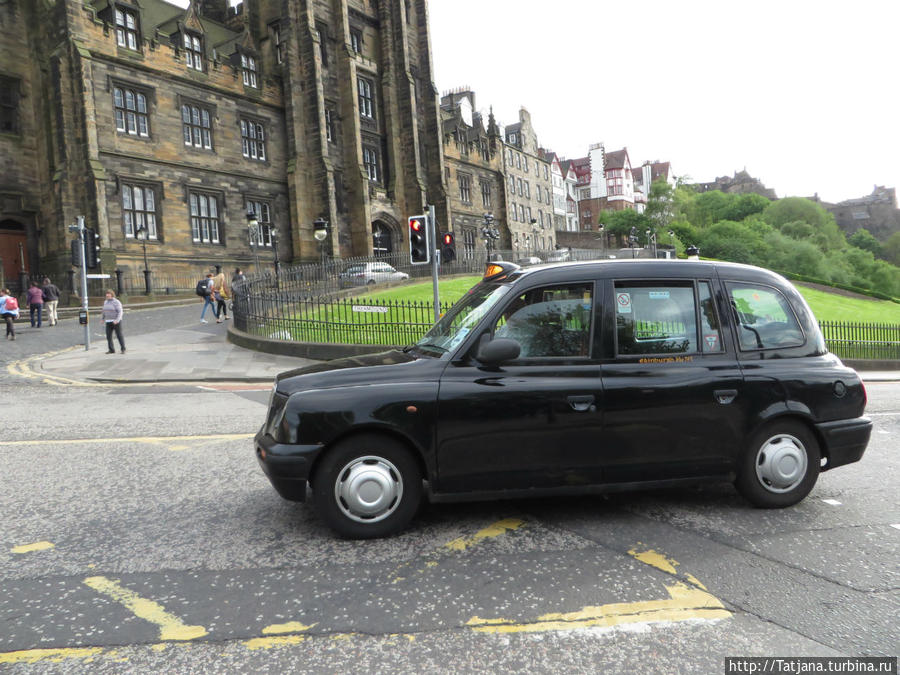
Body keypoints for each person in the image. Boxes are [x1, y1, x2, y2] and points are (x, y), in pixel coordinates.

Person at [101, 289, 125, 354]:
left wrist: (117, 320)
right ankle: (111, 349)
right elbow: (104, 311)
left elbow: (120, 312)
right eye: (107, 295)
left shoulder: (116, 302)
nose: (107, 296)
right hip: (108, 321)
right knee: (108, 336)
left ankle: (123, 349)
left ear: (112, 295)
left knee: (119, 335)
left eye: (109, 294)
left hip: (116, 321)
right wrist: (103, 318)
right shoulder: (105, 302)